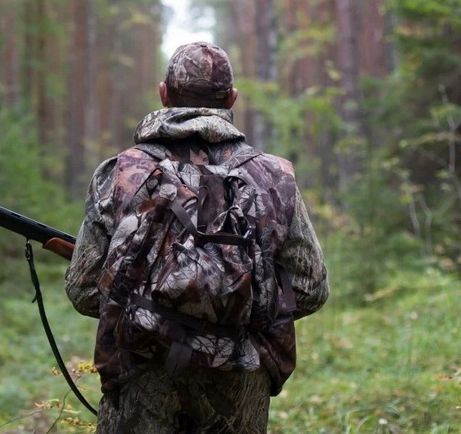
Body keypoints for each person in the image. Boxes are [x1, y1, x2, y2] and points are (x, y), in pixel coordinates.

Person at [64, 41, 330, 434]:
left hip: (141, 370)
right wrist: (238, 311)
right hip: (241, 375)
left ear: (164, 93)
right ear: (231, 99)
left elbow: (84, 290)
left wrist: (150, 307)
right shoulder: (274, 176)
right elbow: (310, 288)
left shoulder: (121, 172)